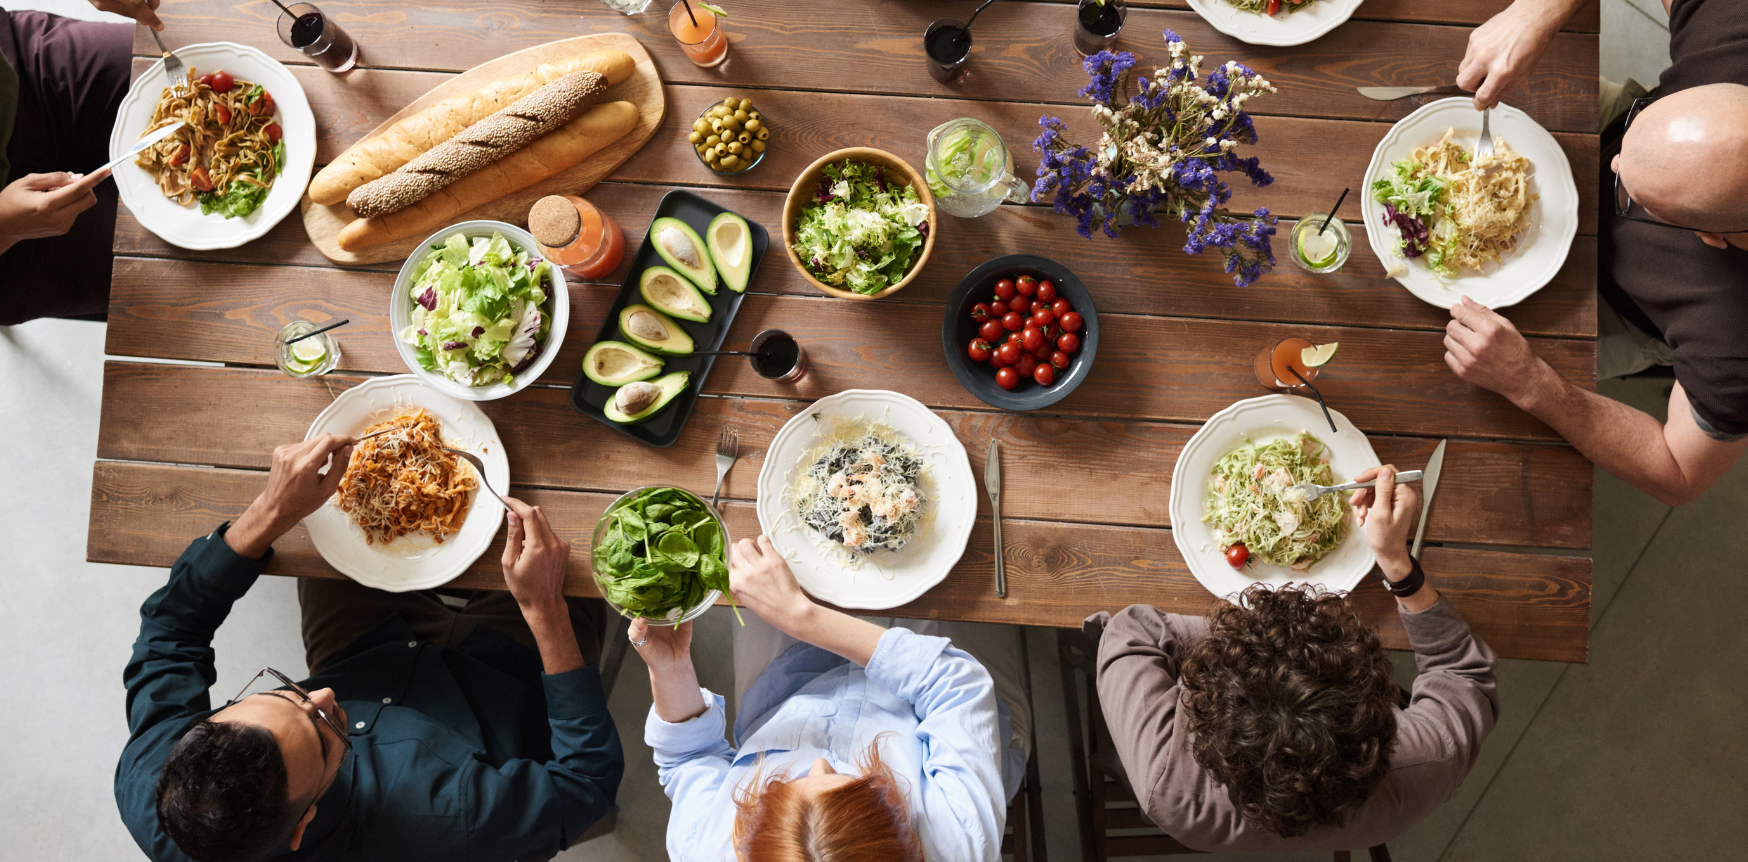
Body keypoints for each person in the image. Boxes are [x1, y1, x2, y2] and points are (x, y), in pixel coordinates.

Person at [115, 433, 623, 862]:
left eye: (285, 694)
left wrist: (268, 511)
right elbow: (586, 785)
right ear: (302, 825)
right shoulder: (451, 821)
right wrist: (545, 610)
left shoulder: (153, 779)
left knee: (337, 520)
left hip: (364, 651)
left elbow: (170, 634)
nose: (324, 696)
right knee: (577, 524)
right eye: (324, 733)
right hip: (505, 682)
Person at [1443, 0, 1748, 503]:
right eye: (1628, 152)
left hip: (1613, 301)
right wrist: (1543, 4)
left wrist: (1534, 383)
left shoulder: (1734, 349)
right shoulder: (1738, 39)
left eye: (1631, 187)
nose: (1607, 166)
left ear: (1713, 237)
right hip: (1617, 117)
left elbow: (1679, 471)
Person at [1094, 466, 1497, 851]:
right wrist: (1396, 563)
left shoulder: (1164, 783)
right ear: (1378, 714)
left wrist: (1238, 641)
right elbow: (1463, 673)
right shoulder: (1431, 761)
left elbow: (1130, 632)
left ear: (1205, 716)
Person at [630, 533, 1029, 861]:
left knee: (761, 549)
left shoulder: (704, 851)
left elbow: (687, 759)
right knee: (965, 552)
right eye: (856, 786)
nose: (819, 763)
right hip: (945, 703)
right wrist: (800, 617)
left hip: (788, 690)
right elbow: (953, 683)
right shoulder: (959, 843)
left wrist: (671, 668)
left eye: (781, 789)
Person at [0, 0, 162, 324]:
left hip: (24, 67)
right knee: (185, 275)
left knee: (195, 74)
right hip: (9, 241)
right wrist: (5, 227)